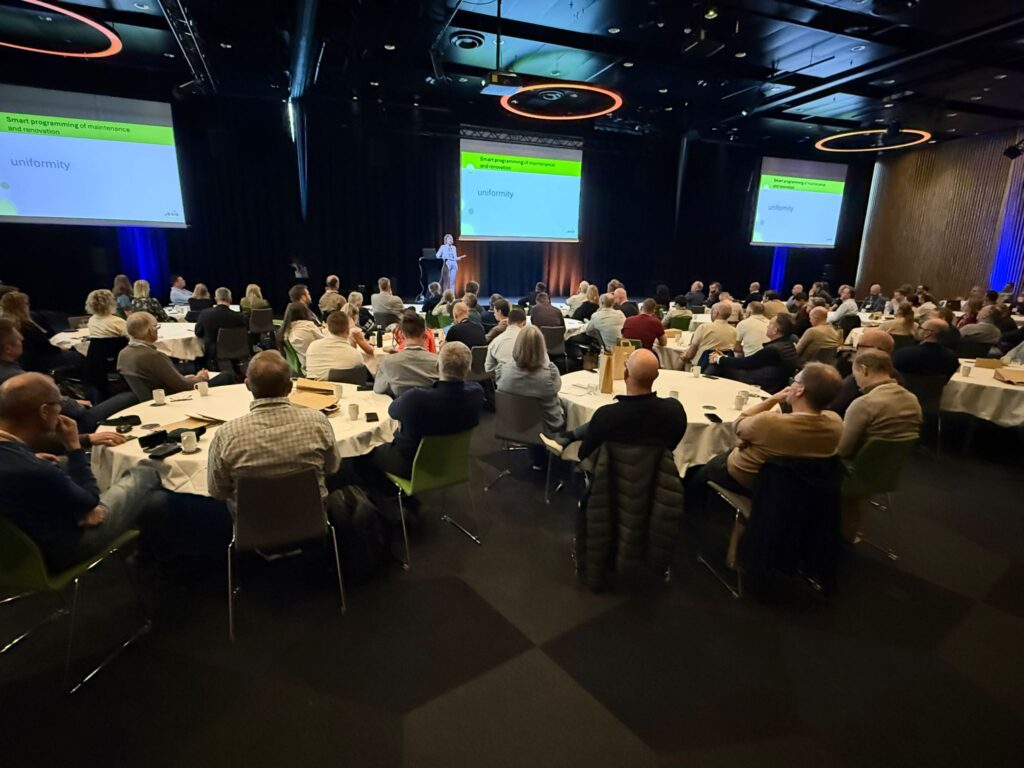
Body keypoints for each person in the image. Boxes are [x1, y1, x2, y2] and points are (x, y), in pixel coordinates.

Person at [0, 372, 162, 571]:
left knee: (63, 464)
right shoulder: (35, 470)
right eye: (58, 404)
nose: (61, 410)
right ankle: (156, 554)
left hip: (14, 551)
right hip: (64, 548)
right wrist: (74, 446)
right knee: (145, 472)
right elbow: (89, 500)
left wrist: (34, 459)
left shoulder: (17, 457)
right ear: (44, 411)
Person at [688, 363, 843, 500]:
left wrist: (772, 400)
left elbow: (738, 424)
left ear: (800, 390)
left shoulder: (770, 423)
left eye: (794, 381)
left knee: (698, 470)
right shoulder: (835, 423)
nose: (790, 385)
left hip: (749, 479)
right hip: (801, 491)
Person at [208, 351, 339, 512]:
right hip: (312, 519)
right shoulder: (317, 423)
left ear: (247, 385)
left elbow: (218, 491)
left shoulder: (227, 435)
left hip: (252, 528)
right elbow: (332, 467)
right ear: (290, 387)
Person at [341, 342, 483, 489]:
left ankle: (380, 498)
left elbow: (392, 411)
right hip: (451, 461)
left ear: (436, 366)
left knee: (364, 450)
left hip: (409, 463)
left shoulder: (416, 399)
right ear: (469, 368)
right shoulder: (477, 393)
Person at [0, 319, 132, 443]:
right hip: (67, 427)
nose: (22, 340)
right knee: (131, 396)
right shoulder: (17, 380)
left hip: (51, 426)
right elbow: (73, 411)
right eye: (18, 339)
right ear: (8, 348)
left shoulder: (10, 376)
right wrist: (74, 404)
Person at [544, 349, 686, 463]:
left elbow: (583, 454)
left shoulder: (607, 414)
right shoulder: (675, 411)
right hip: (658, 480)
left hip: (608, 481)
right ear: (656, 376)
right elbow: (672, 445)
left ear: (625, 374)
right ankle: (567, 437)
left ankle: (567, 437)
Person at [495, 326, 564, 468]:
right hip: (546, 426)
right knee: (566, 408)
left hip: (511, 424)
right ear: (542, 347)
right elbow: (556, 389)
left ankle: (538, 457)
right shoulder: (549, 374)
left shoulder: (504, 370)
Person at [836, 350, 922, 460]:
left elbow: (842, 451)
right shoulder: (913, 400)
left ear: (864, 370)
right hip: (889, 470)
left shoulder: (864, 404)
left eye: (855, 375)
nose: (856, 381)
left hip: (855, 469)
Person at [118, 312, 227, 395]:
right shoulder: (153, 356)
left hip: (152, 395)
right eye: (156, 327)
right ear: (150, 331)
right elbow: (183, 386)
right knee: (226, 376)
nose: (157, 330)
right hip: (171, 397)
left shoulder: (123, 354)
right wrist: (200, 378)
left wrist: (186, 378)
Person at [712, 313, 799, 394]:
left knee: (716, 363)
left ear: (775, 330)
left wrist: (719, 359)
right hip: (774, 383)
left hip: (761, 384)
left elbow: (746, 363)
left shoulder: (773, 350)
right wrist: (724, 358)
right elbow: (753, 361)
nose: (767, 326)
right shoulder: (788, 344)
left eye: (771, 324)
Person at [0, 291, 84, 373]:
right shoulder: (26, 325)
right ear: (19, 307)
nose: (28, 306)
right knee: (77, 355)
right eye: (26, 303)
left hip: (21, 362)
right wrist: (61, 348)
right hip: (37, 361)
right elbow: (46, 348)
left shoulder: (6, 324)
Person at [827, 328, 895, 417]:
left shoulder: (856, 381)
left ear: (876, 350)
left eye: (860, 346)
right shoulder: (897, 379)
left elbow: (832, 410)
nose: (856, 350)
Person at [373, 313, 438, 397]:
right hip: (432, 408)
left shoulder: (388, 362)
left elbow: (378, 389)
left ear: (402, 334)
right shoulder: (439, 362)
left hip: (400, 407)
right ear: (425, 334)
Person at [194, 287, 248, 367]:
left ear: (216, 299)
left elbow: (198, 332)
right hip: (237, 349)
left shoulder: (205, 314)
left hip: (213, 352)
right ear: (230, 299)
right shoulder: (240, 317)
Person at [892, 319, 960, 378]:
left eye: (920, 328)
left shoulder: (903, 354)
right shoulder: (951, 357)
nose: (917, 330)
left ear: (927, 333)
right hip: (935, 392)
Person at [682, 302, 736, 368]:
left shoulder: (703, 328)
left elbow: (690, 354)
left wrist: (683, 357)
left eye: (712, 311)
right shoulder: (734, 331)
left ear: (717, 313)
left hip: (701, 367)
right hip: (725, 368)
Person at [280, 300, 323, 369]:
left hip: (305, 365)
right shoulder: (308, 325)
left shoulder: (285, 331)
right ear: (304, 313)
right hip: (318, 364)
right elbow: (324, 341)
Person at [485, 307, 526, 372]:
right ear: (524, 323)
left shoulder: (495, 341)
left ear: (508, 322)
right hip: (532, 378)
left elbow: (489, 368)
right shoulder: (533, 339)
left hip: (506, 379)